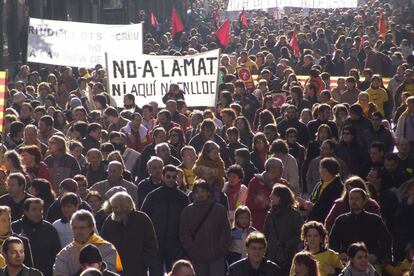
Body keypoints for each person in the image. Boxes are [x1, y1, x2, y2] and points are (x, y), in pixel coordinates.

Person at [141, 165, 190, 275]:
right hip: (155, 244)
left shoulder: (182, 198)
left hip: (175, 245)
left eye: (174, 177)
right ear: (162, 177)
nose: (171, 179)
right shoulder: (153, 196)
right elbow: (144, 218)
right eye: (168, 176)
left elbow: (187, 222)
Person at [179, 181, 231, 276]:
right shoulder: (187, 211)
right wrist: (192, 249)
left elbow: (226, 231)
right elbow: (184, 233)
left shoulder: (219, 210)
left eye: (202, 191)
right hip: (198, 257)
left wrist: (220, 249)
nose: (200, 194)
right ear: (193, 194)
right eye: (197, 192)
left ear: (208, 193)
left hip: (217, 256)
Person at [101, 192, 158, 275]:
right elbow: (103, 244)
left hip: (138, 270)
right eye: (112, 207)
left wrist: (142, 262)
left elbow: (151, 244)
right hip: (115, 270)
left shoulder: (142, 219)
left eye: (116, 207)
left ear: (125, 207)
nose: (113, 210)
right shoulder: (109, 221)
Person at [329, 188, 391, 264]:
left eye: (357, 198)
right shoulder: (341, 220)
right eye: (351, 198)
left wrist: (375, 255)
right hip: (347, 262)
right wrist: (340, 253)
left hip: (369, 262)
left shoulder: (374, 220)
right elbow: (332, 241)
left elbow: (386, 240)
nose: (353, 201)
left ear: (364, 201)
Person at [53, 210, 122, 275]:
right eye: (75, 228)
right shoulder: (64, 254)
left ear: (91, 227)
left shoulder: (107, 248)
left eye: (82, 228)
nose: (78, 232)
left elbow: (108, 272)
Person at [11, 198, 61, 276]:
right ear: (25, 211)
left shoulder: (49, 229)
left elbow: (57, 254)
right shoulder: (15, 228)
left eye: (40, 210)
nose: (38, 213)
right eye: (34, 210)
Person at [264, 184, 303, 273]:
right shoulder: (270, 215)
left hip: (288, 257)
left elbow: (300, 234)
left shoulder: (294, 215)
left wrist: (287, 244)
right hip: (272, 256)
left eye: (273, 194)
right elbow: (266, 234)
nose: (270, 197)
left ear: (280, 197)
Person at [246, 158, 289, 231]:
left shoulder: (283, 184)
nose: (282, 170)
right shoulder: (255, 182)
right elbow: (248, 204)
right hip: (259, 225)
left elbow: (290, 202)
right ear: (271, 169)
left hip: (279, 226)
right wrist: (263, 203)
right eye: (280, 168)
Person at [299, 157, 344, 223]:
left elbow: (330, 207)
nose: (319, 171)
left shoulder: (338, 187)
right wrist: (303, 205)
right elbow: (312, 200)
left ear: (325, 170)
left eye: (320, 168)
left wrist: (313, 207)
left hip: (325, 223)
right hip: (313, 222)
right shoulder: (319, 184)